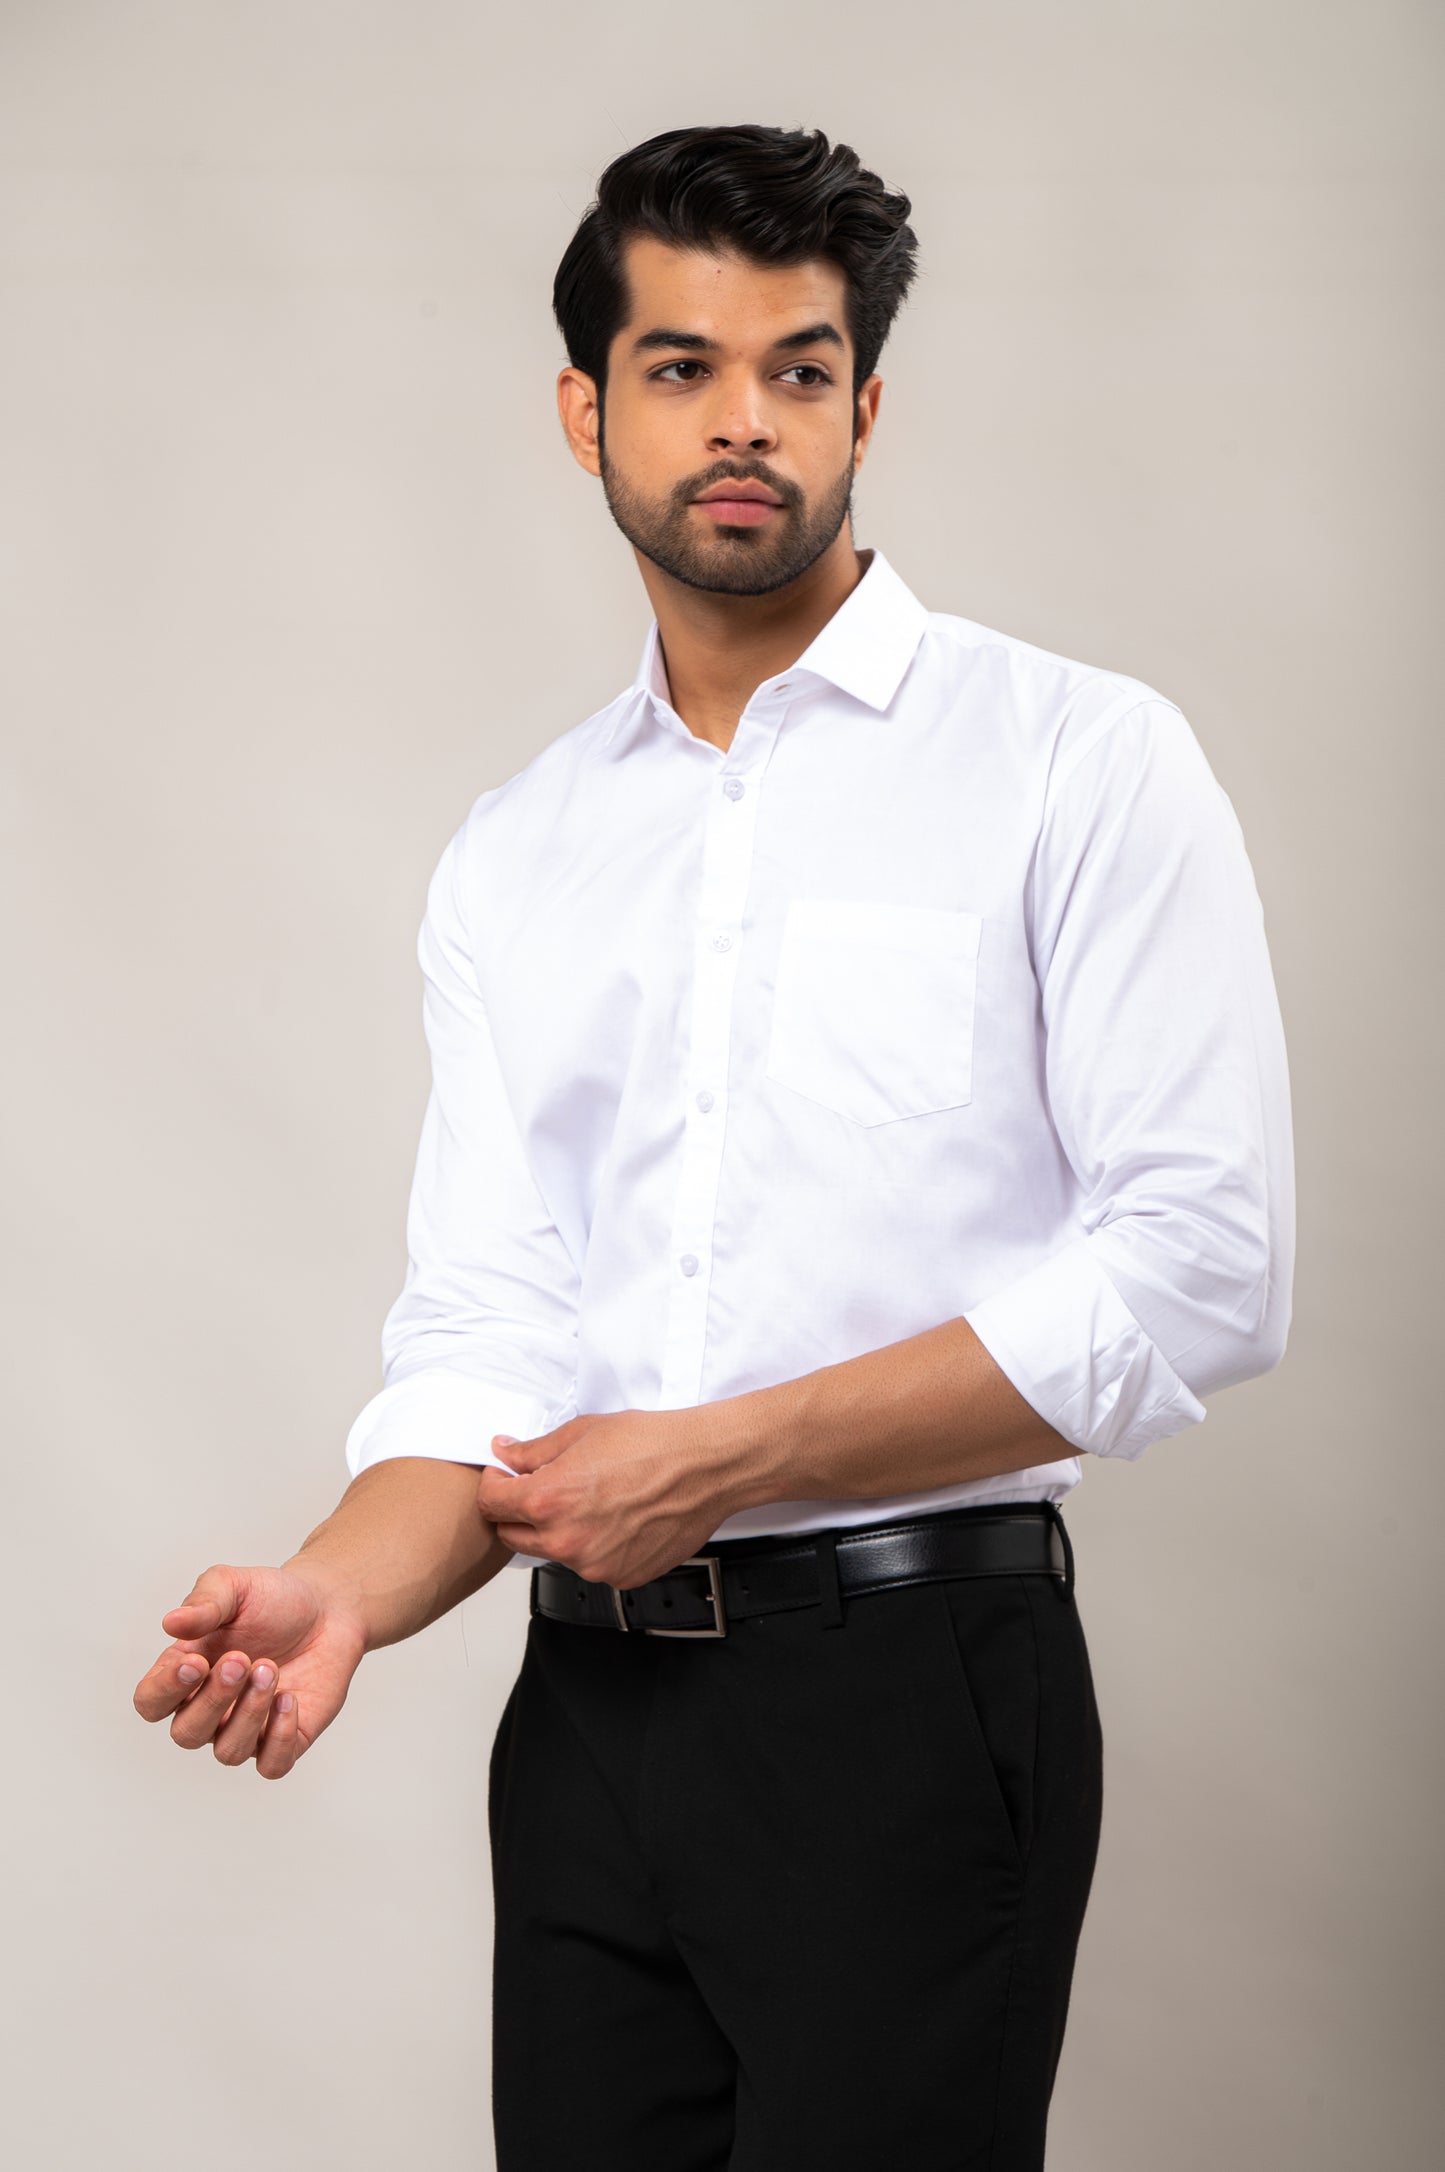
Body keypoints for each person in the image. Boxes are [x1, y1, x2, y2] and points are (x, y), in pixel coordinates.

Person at [133, 123, 1295, 2170]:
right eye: (681, 367)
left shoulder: (1075, 763)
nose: (744, 422)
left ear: (870, 405)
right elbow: (495, 1335)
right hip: (585, 1721)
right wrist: (339, 1588)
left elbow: (1203, 1266)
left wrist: (730, 1454)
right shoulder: (521, 850)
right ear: (586, 408)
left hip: (916, 1692)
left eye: (800, 368)